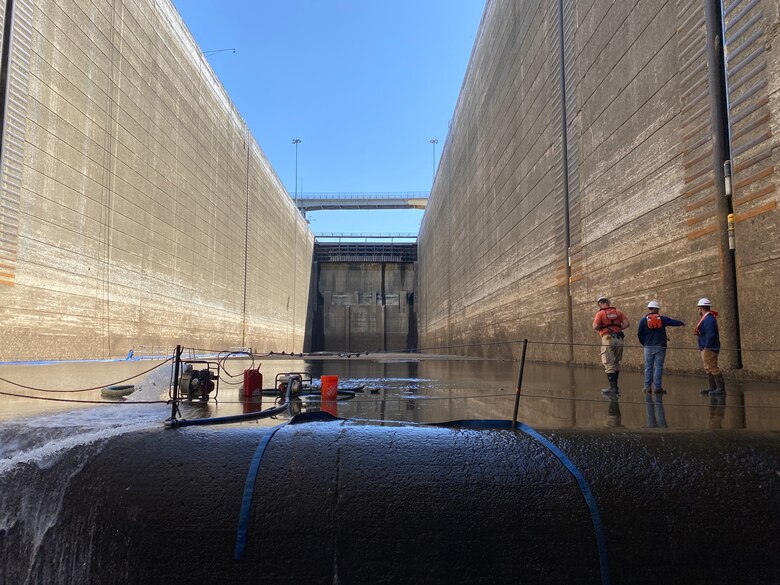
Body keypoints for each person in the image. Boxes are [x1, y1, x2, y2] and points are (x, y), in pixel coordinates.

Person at [637, 300, 685, 394]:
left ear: (649, 309)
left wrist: (645, 344)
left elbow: (639, 334)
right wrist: (681, 323)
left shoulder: (643, 321)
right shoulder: (662, 319)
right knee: (658, 367)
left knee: (648, 367)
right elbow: (672, 321)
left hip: (648, 347)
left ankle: (647, 387)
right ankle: (658, 388)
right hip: (660, 347)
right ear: (657, 309)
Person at [593, 295, 629, 395]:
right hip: (619, 338)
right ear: (608, 303)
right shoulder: (619, 312)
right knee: (616, 362)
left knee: (608, 362)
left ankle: (612, 388)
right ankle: (615, 386)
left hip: (607, 338)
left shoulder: (600, 313)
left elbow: (595, 326)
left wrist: (603, 328)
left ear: (600, 304)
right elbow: (626, 324)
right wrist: (618, 328)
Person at [694, 297, 725, 395]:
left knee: (712, 367)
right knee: (708, 367)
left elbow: (711, 334)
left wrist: (707, 346)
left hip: (709, 347)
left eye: (699, 308)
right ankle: (712, 387)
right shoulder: (708, 318)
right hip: (705, 346)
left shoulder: (708, 319)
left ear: (701, 308)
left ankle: (720, 389)